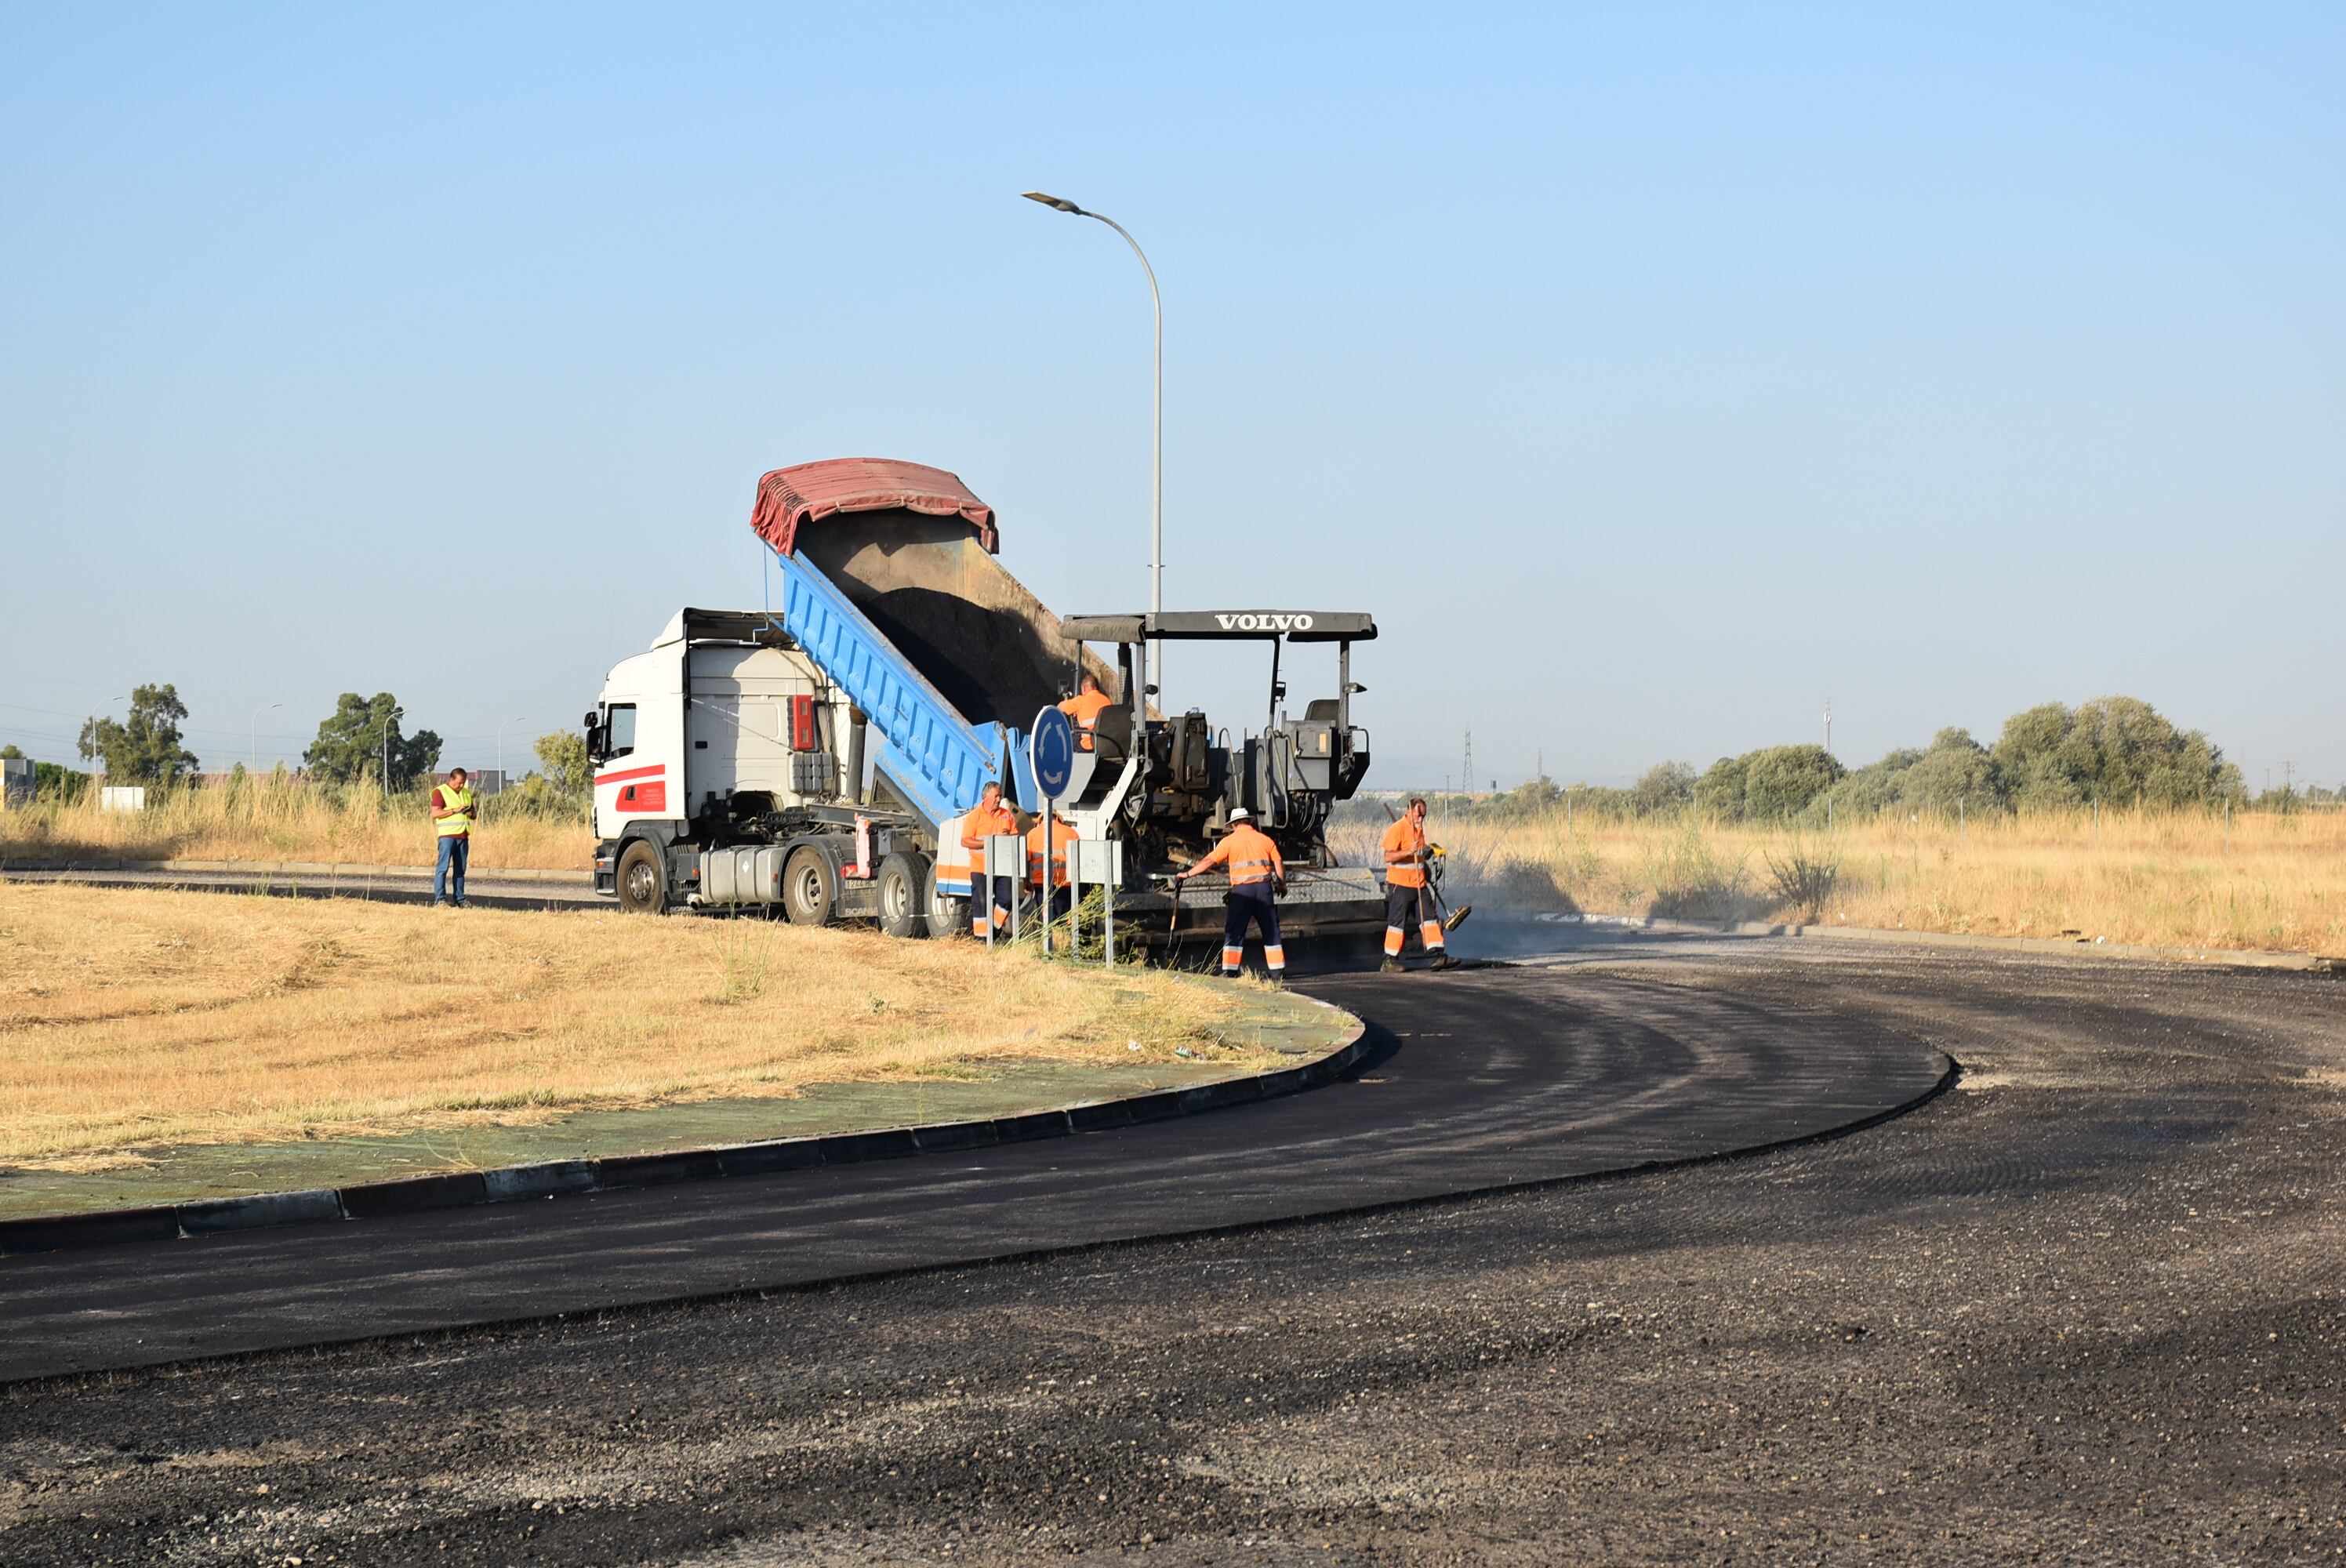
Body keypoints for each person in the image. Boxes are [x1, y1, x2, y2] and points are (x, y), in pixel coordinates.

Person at [1175, 806, 1287, 980]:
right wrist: (1281, 884)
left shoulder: (1229, 842)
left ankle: (1230, 971)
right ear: (1249, 822)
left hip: (1242, 892)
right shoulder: (1265, 840)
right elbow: (1278, 862)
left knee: (1235, 930)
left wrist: (1187, 874)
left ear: (1234, 825)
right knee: (1271, 929)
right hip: (1264, 890)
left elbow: (1209, 861)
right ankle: (1277, 973)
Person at [1379, 797, 1455, 972]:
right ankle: (1389, 961)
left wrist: (1425, 868)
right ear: (1409, 811)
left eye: (1423, 816)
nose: (1421, 819)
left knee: (1430, 919)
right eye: (1418, 816)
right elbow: (1388, 856)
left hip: (1419, 884)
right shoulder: (1398, 829)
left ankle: (1436, 956)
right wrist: (1408, 851)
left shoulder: (1418, 830)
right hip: (1401, 885)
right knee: (1397, 923)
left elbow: (1418, 857)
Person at [960, 780, 1021, 940]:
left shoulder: (1006, 815)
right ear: (986, 796)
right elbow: (965, 841)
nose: (998, 799)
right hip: (980, 868)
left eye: (1000, 796)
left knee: (1008, 898)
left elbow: (1015, 837)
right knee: (981, 904)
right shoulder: (974, 816)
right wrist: (987, 843)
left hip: (1002, 867)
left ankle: (993, 930)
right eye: (996, 796)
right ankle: (981, 939)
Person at [1026, 803, 1080, 949]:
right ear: (1058, 818)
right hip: (1065, 883)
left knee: (1046, 917)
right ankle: (1063, 945)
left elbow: (1027, 861)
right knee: (1063, 917)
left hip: (1041, 882)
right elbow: (1079, 859)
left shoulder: (1033, 834)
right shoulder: (1071, 833)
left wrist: (1026, 882)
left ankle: (1049, 947)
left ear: (1041, 820)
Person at [430, 767, 476, 908]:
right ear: (452, 779)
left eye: (463, 783)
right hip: (447, 837)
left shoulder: (466, 793)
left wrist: (470, 813)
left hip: (463, 836)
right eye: (459, 783)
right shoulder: (440, 792)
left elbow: (474, 813)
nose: (461, 785)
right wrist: (454, 811)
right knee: (442, 868)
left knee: (460, 870)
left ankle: (460, 899)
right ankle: (440, 899)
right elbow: (435, 813)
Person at [1058, 673, 1114, 752]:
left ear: (1084, 688)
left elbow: (1060, 707)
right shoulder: (1108, 701)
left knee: (1065, 740)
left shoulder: (1081, 701)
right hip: (1106, 744)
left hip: (1088, 745)